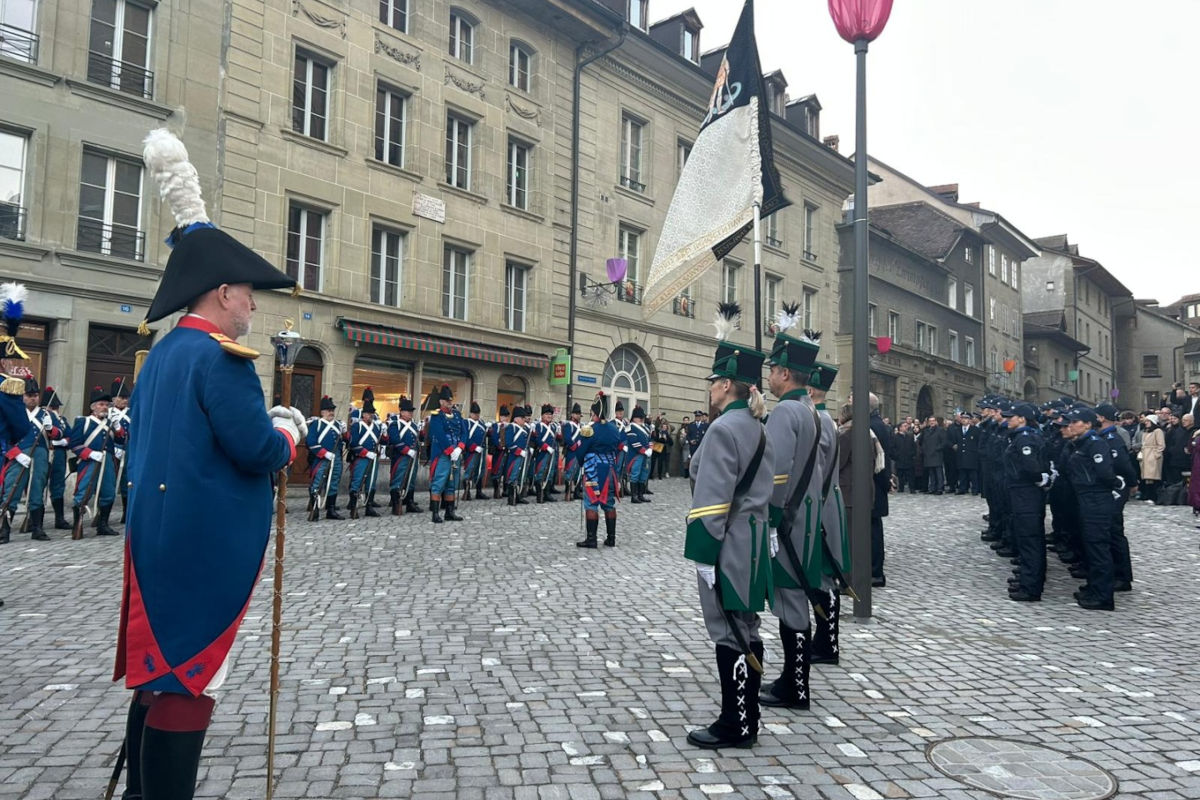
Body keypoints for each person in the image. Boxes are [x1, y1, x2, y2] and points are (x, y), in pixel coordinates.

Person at [112, 127, 307, 799]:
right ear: (224, 292)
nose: (255, 304)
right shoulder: (221, 357)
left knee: (160, 671)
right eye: (249, 292)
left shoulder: (164, 354)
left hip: (155, 538)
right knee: (190, 677)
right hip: (200, 543)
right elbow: (255, 450)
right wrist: (289, 430)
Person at [684, 302, 774, 750]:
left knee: (728, 630)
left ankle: (734, 723)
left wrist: (702, 554)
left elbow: (711, 503)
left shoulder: (723, 429)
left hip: (730, 542)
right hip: (755, 540)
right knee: (748, 626)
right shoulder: (758, 425)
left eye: (712, 384)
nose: (710, 391)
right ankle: (747, 717)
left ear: (724, 385)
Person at [759, 310, 822, 712]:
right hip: (808, 518)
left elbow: (776, 472)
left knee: (790, 600)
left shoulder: (785, 411)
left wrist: (770, 519)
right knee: (797, 597)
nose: (769, 377)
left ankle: (795, 686)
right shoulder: (810, 410)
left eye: (772, 370)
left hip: (788, 521)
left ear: (784, 373)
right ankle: (792, 680)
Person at [808, 362, 847, 664]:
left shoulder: (819, 421)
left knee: (822, 578)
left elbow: (815, 472)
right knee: (823, 577)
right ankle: (825, 641)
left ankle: (826, 643)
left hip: (820, 505)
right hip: (828, 501)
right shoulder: (826, 419)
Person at [1061, 407, 1119, 610]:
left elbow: (1104, 473)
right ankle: (1095, 587)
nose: (1069, 426)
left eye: (1074, 422)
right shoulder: (1079, 444)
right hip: (1085, 497)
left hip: (1096, 498)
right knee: (1091, 545)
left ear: (1087, 424)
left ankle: (1103, 596)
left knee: (1098, 546)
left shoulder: (1095, 444)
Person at [1001, 403, 1050, 602]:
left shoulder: (1025, 439)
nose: (1007, 420)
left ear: (1022, 419)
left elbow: (1030, 468)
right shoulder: (1020, 437)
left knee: (1030, 540)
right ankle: (1028, 581)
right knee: (1027, 539)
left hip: (1026, 494)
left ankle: (1031, 587)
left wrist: (1040, 479)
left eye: (1011, 417)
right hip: (1022, 493)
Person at [0, 376, 58, 542]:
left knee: (37, 489)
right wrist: (15, 453)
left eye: (35, 395)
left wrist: (49, 427)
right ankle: (5, 530)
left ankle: (37, 528)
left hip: (40, 454)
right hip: (18, 456)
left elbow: (60, 434)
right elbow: (4, 437)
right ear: (22, 396)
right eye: (28, 395)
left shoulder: (47, 414)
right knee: (12, 490)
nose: (32, 398)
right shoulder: (13, 413)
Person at [70, 385, 119, 538]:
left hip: (108, 462)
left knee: (109, 493)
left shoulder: (111, 423)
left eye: (106, 405)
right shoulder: (83, 422)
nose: (104, 407)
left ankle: (103, 525)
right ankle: (77, 525)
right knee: (83, 493)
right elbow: (75, 444)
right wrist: (90, 453)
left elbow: (121, 440)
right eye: (101, 404)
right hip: (89, 462)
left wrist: (118, 429)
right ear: (93, 407)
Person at [575, 391, 622, 548]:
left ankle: (591, 539)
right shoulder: (614, 429)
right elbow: (617, 449)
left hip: (594, 470)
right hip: (610, 470)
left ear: (594, 412)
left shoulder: (589, 429)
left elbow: (580, 452)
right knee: (609, 503)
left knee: (591, 503)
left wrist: (583, 463)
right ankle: (611, 538)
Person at [1095, 403, 1135, 592]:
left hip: (1116, 489)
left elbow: (1124, 465)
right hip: (1113, 488)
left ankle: (1122, 576)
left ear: (1102, 418)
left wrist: (1132, 483)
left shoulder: (1112, 438)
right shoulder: (1105, 437)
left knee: (1114, 531)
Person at [426, 385, 465, 523]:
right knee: (439, 481)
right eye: (447, 401)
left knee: (452, 483)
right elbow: (439, 434)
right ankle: (435, 513)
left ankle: (449, 512)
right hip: (444, 453)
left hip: (456, 453)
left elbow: (463, 432)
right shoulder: (437, 416)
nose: (450, 403)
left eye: (451, 401)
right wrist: (450, 450)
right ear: (441, 402)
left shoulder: (457, 415)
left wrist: (460, 448)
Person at [307, 396, 345, 520]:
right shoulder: (316, 424)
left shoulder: (338, 425)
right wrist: (324, 453)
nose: (331, 413)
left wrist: (345, 433)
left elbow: (346, 441)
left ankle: (331, 509)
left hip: (336, 458)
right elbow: (311, 442)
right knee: (317, 483)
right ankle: (315, 510)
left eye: (332, 410)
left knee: (334, 483)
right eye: (328, 410)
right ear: (322, 412)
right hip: (322, 459)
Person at [346, 388, 382, 518]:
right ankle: (354, 507)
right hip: (361, 457)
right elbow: (353, 444)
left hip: (373, 458)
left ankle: (369, 507)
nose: (371, 415)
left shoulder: (376, 427)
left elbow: (380, 441)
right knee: (357, 481)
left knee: (371, 482)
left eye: (372, 413)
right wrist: (366, 453)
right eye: (368, 413)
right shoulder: (357, 426)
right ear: (364, 415)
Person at [42, 386, 73, 531]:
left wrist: (65, 441)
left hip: (59, 455)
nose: (54, 409)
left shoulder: (62, 420)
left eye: (56, 407)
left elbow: (72, 436)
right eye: (52, 406)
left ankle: (59, 518)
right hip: (43, 453)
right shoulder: (40, 417)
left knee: (58, 485)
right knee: (39, 485)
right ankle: (33, 520)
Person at [387, 396, 421, 514]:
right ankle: (396, 504)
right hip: (401, 457)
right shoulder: (395, 425)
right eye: (408, 411)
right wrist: (407, 450)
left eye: (411, 411)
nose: (410, 413)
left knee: (411, 479)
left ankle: (410, 502)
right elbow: (395, 440)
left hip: (413, 457)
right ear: (401, 412)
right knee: (399, 479)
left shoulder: (414, 425)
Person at [109, 377, 132, 525]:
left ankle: (126, 512)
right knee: (109, 481)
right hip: (112, 450)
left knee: (126, 481)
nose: (124, 400)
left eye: (126, 398)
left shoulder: (132, 412)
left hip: (129, 450)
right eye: (121, 398)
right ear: (114, 399)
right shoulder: (108, 412)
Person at [530, 403, 557, 504]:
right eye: (547, 414)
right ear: (542, 416)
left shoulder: (553, 427)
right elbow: (537, 440)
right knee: (540, 473)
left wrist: (559, 433)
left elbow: (558, 440)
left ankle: (547, 494)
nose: (549, 416)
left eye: (550, 414)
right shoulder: (538, 426)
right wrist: (546, 447)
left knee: (549, 473)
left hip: (551, 453)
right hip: (542, 453)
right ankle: (539, 495)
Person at [625, 406, 652, 503]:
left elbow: (649, 439)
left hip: (645, 454)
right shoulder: (630, 427)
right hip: (635, 455)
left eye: (642, 417)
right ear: (634, 417)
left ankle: (641, 495)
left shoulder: (645, 427)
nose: (641, 419)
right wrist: (644, 450)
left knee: (643, 475)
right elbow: (633, 441)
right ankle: (634, 496)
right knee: (635, 474)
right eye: (639, 417)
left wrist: (650, 448)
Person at [504, 406, 530, 505]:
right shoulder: (511, 427)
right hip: (514, 457)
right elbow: (509, 443)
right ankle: (511, 498)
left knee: (520, 476)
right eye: (522, 418)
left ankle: (518, 496)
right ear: (516, 418)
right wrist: (520, 451)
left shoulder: (524, 429)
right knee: (513, 476)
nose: (524, 420)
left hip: (523, 456)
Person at [462, 401, 487, 501]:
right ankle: (466, 492)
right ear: (471, 413)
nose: (477, 415)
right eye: (475, 413)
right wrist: (473, 447)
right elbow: (465, 437)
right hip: (471, 452)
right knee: (469, 471)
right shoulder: (466, 422)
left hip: (481, 450)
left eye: (478, 413)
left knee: (480, 470)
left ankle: (479, 492)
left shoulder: (481, 423)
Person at [1139, 415, 1164, 503]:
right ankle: (1148, 495)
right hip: (1146, 455)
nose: (1146, 423)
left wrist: (1156, 454)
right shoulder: (1146, 432)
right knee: (1147, 478)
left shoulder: (1158, 431)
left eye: (1148, 421)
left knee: (1153, 476)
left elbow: (1161, 444)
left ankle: (1154, 497)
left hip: (1153, 455)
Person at [561, 403, 584, 501]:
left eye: (579, 414)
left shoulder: (581, 426)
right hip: (572, 452)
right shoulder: (568, 425)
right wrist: (575, 445)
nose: (578, 416)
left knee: (578, 473)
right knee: (569, 472)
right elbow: (567, 438)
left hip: (579, 453)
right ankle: (567, 493)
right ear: (572, 415)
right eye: (577, 414)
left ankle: (577, 492)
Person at [488, 405, 510, 499]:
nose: (505, 418)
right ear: (500, 416)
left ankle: (506, 490)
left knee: (506, 471)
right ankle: (496, 491)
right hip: (498, 452)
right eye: (503, 416)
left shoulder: (510, 426)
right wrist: (499, 445)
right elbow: (493, 437)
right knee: (496, 471)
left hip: (507, 452)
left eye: (506, 416)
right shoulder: (495, 426)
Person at [921, 415, 946, 494]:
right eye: (930, 421)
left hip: (936, 454)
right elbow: (923, 441)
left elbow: (944, 442)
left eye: (933, 421)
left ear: (936, 422)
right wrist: (925, 450)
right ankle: (932, 488)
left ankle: (940, 488)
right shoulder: (926, 431)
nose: (931, 422)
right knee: (931, 473)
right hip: (928, 454)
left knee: (938, 473)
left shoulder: (940, 430)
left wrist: (937, 449)